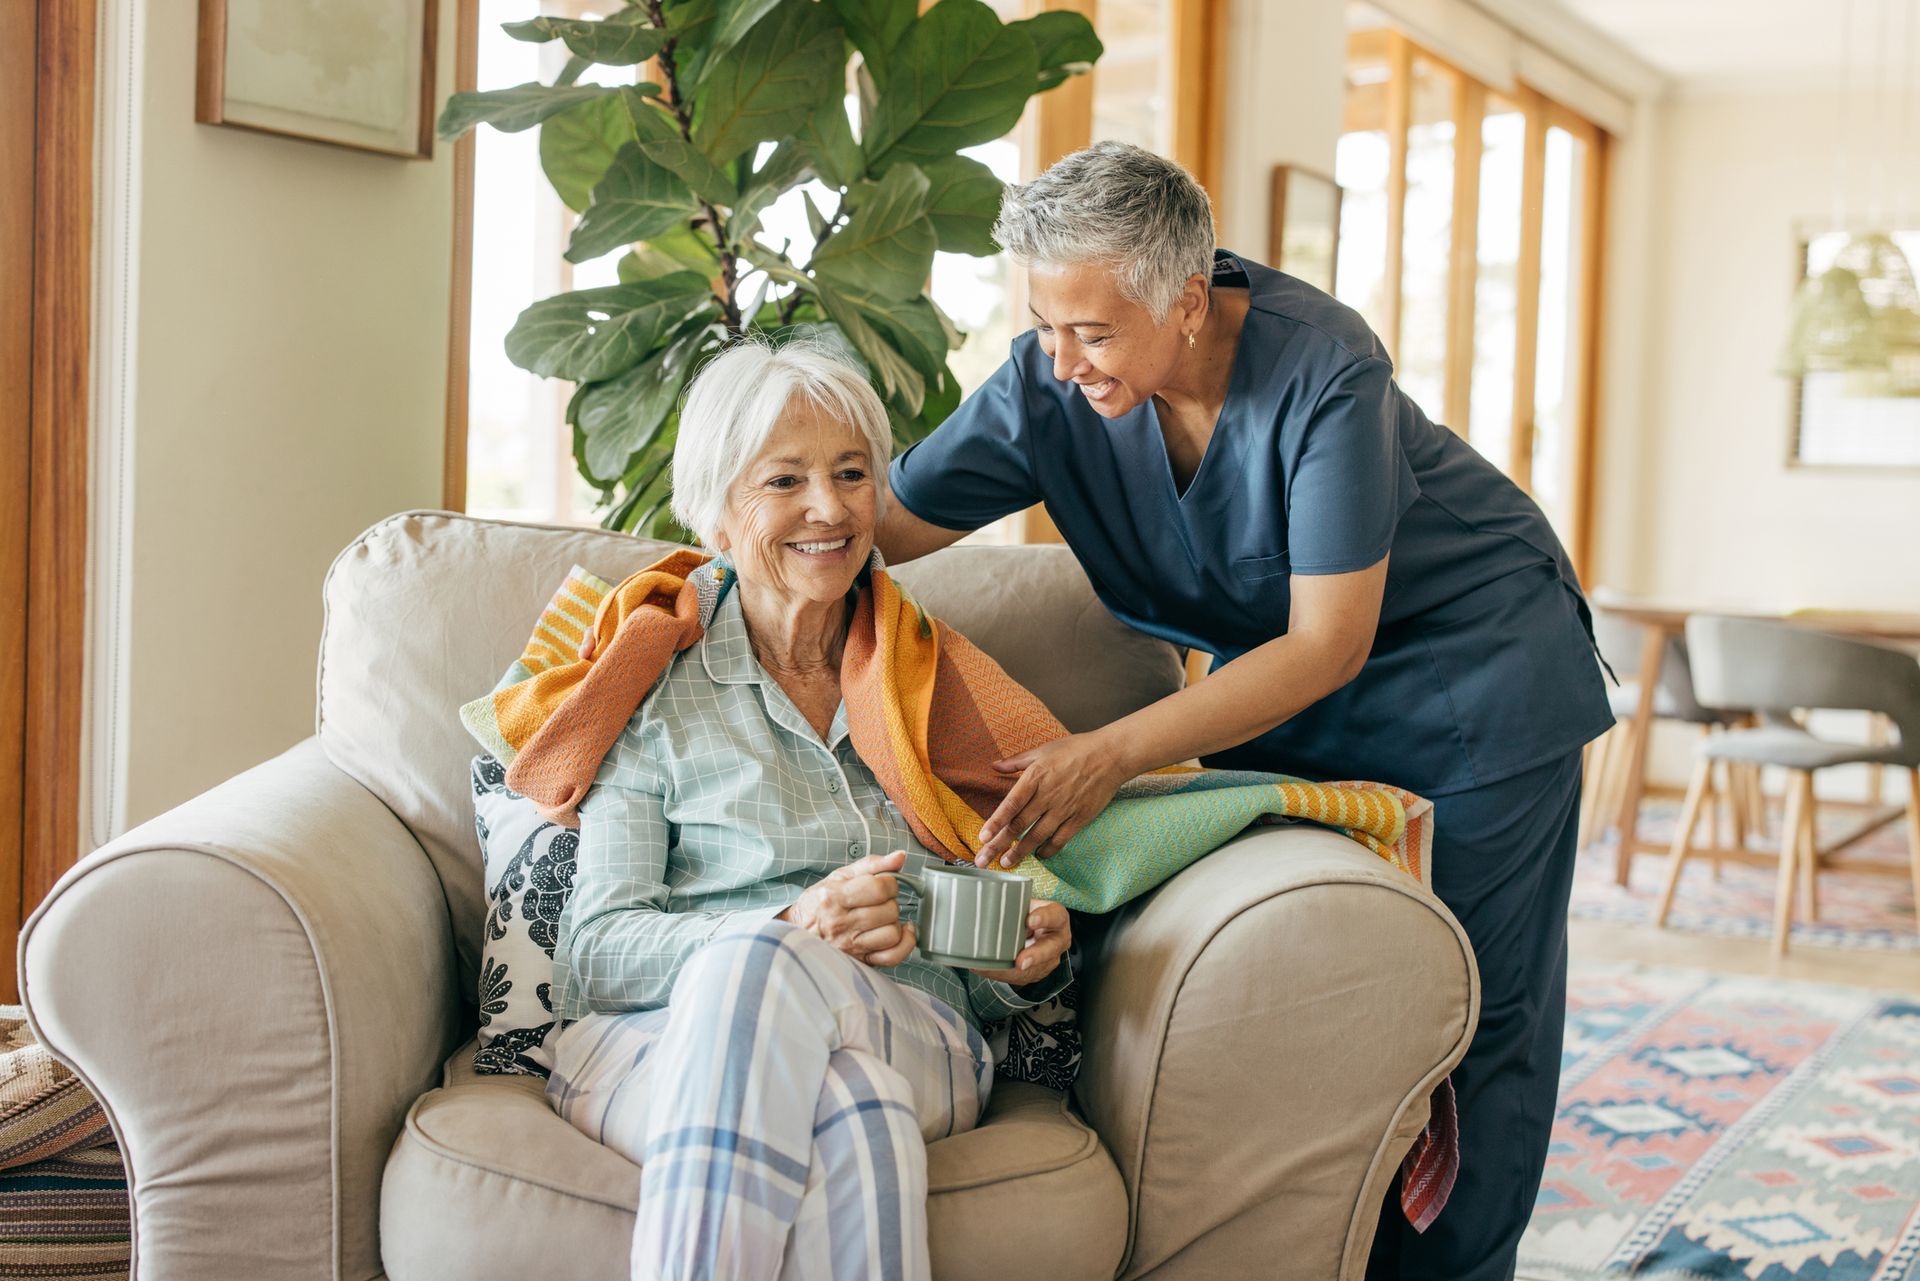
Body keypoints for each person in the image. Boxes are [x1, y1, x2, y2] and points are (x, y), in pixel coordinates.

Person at [877, 141, 1612, 1280]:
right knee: (1315, 992)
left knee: (1474, 1020)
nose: (1064, 361)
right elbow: (875, 529)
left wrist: (1109, 755)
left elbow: (1328, 640)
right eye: (1045, 326)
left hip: (1473, 678)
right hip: (1278, 695)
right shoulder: (1048, 382)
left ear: (1185, 297)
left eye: (1095, 332)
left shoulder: (1323, 371)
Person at [544, 339, 1074, 1281]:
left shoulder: (931, 685)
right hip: (658, 1036)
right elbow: (596, 950)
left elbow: (985, 966)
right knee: (855, 1111)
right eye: (784, 480)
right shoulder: (650, 686)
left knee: (777, 981)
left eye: (852, 473)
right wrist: (786, 923)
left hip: (915, 1025)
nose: (828, 508)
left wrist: (1025, 959)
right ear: (716, 510)